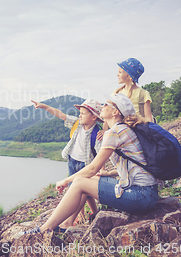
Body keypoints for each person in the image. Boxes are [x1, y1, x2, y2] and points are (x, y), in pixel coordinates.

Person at [22, 93, 158, 235]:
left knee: (79, 183)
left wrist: (66, 180)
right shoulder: (121, 129)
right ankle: (66, 223)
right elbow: (133, 165)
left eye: (107, 104)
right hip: (146, 193)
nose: (103, 105)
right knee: (85, 180)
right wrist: (108, 173)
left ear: (115, 112)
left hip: (140, 196)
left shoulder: (115, 132)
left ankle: (44, 229)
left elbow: (93, 168)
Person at [31, 99, 103, 231]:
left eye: (83, 113)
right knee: (77, 191)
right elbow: (60, 114)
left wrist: (101, 170)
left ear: (94, 117)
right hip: (72, 161)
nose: (80, 115)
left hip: (85, 166)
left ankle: (91, 215)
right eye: (79, 113)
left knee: (83, 192)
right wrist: (44, 106)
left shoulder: (97, 134)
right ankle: (87, 215)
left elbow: (100, 155)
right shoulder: (77, 124)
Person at [98, 58, 153, 140]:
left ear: (130, 76)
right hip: (120, 132)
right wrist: (104, 130)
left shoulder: (143, 94)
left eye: (120, 72)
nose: (117, 75)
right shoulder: (117, 92)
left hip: (137, 133)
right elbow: (109, 111)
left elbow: (149, 119)